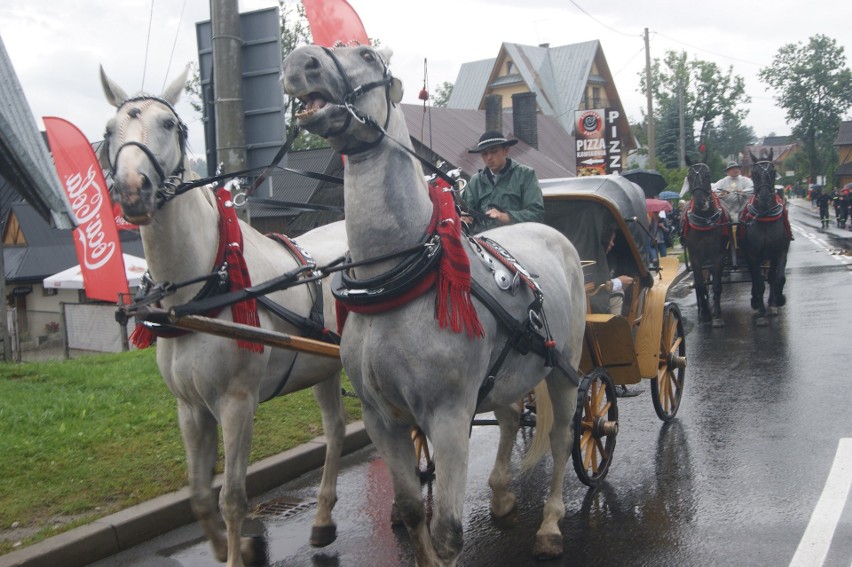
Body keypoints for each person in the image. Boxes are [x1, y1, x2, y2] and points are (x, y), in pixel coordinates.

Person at [460, 130, 544, 232]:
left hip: (518, 240)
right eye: (484, 154)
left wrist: (505, 217)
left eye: (493, 151)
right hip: (482, 243)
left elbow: (537, 214)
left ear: (506, 150)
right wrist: (465, 218)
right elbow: (465, 212)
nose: (489, 157)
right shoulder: (475, 182)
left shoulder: (525, 175)